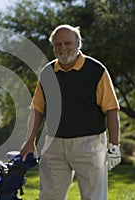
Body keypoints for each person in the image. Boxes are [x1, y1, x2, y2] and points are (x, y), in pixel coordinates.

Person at [20, 24, 121, 200]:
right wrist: (30, 141)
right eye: (57, 44)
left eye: (67, 43)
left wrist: (114, 145)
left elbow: (111, 109)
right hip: (54, 144)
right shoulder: (47, 73)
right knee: (50, 196)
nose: (62, 48)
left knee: (94, 197)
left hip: (90, 143)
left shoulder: (96, 71)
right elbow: (37, 110)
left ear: (78, 43)